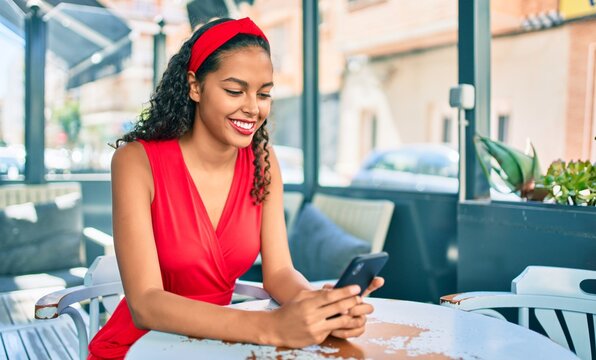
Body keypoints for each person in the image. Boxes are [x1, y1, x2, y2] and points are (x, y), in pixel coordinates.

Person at [88, 17, 384, 359]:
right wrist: (272, 328)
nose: (253, 107)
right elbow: (146, 304)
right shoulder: (135, 162)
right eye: (234, 90)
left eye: (264, 94)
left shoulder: (263, 160)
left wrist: (318, 308)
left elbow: (279, 273)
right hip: (138, 347)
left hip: (220, 346)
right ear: (195, 87)